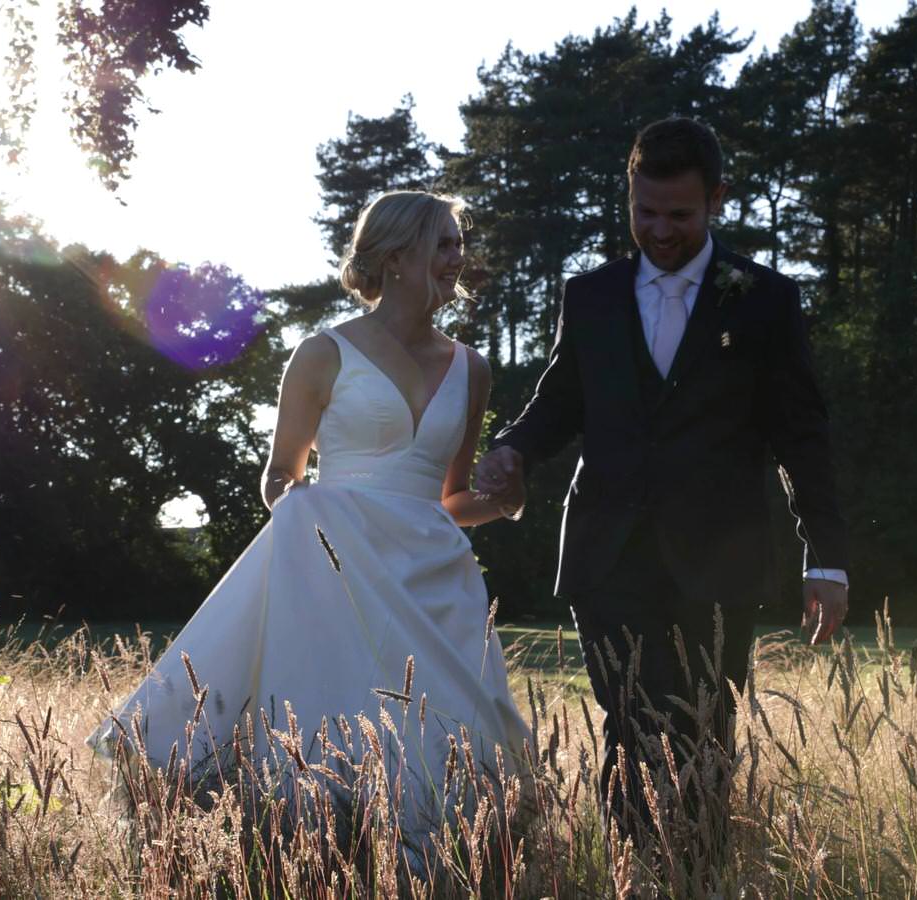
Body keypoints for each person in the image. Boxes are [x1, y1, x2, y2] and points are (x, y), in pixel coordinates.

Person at [88, 190, 529, 852]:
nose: (456, 257)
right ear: (398, 254)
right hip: (337, 572)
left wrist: (511, 497)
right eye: (443, 242)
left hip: (435, 584)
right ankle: (323, 843)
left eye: (457, 243)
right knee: (339, 718)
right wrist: (309, 518)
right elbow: (280, 476)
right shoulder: (323, 353)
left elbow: (454, 499)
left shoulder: (473, 368)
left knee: (459, 729)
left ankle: (443, 859)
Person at [473, 117, 850, 842]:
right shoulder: (590, 295)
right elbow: (561, 400)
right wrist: (515, 449)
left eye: (679, 214)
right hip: (606, 552)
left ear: (717, 200)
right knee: (633, 722)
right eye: (644, 211)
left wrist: (825, 555)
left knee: (705, 729)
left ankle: (699, 875)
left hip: (721, 555)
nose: (660, 229)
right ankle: (637, 872)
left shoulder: (767, 299)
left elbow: (803, 435)